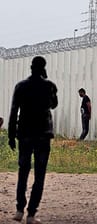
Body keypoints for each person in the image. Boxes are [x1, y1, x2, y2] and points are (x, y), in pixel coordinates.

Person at [8, 56, 58, 224]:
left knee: (23, 171)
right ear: (43, 68)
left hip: (25, 134)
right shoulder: (49, 86)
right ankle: (31, 214)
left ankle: (19, 209)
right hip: (43, 134)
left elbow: (14, 111)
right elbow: (54, 104)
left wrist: (10, 135)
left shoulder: (21, 86)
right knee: (39, 174)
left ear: (31, 67)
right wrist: (46, 79)